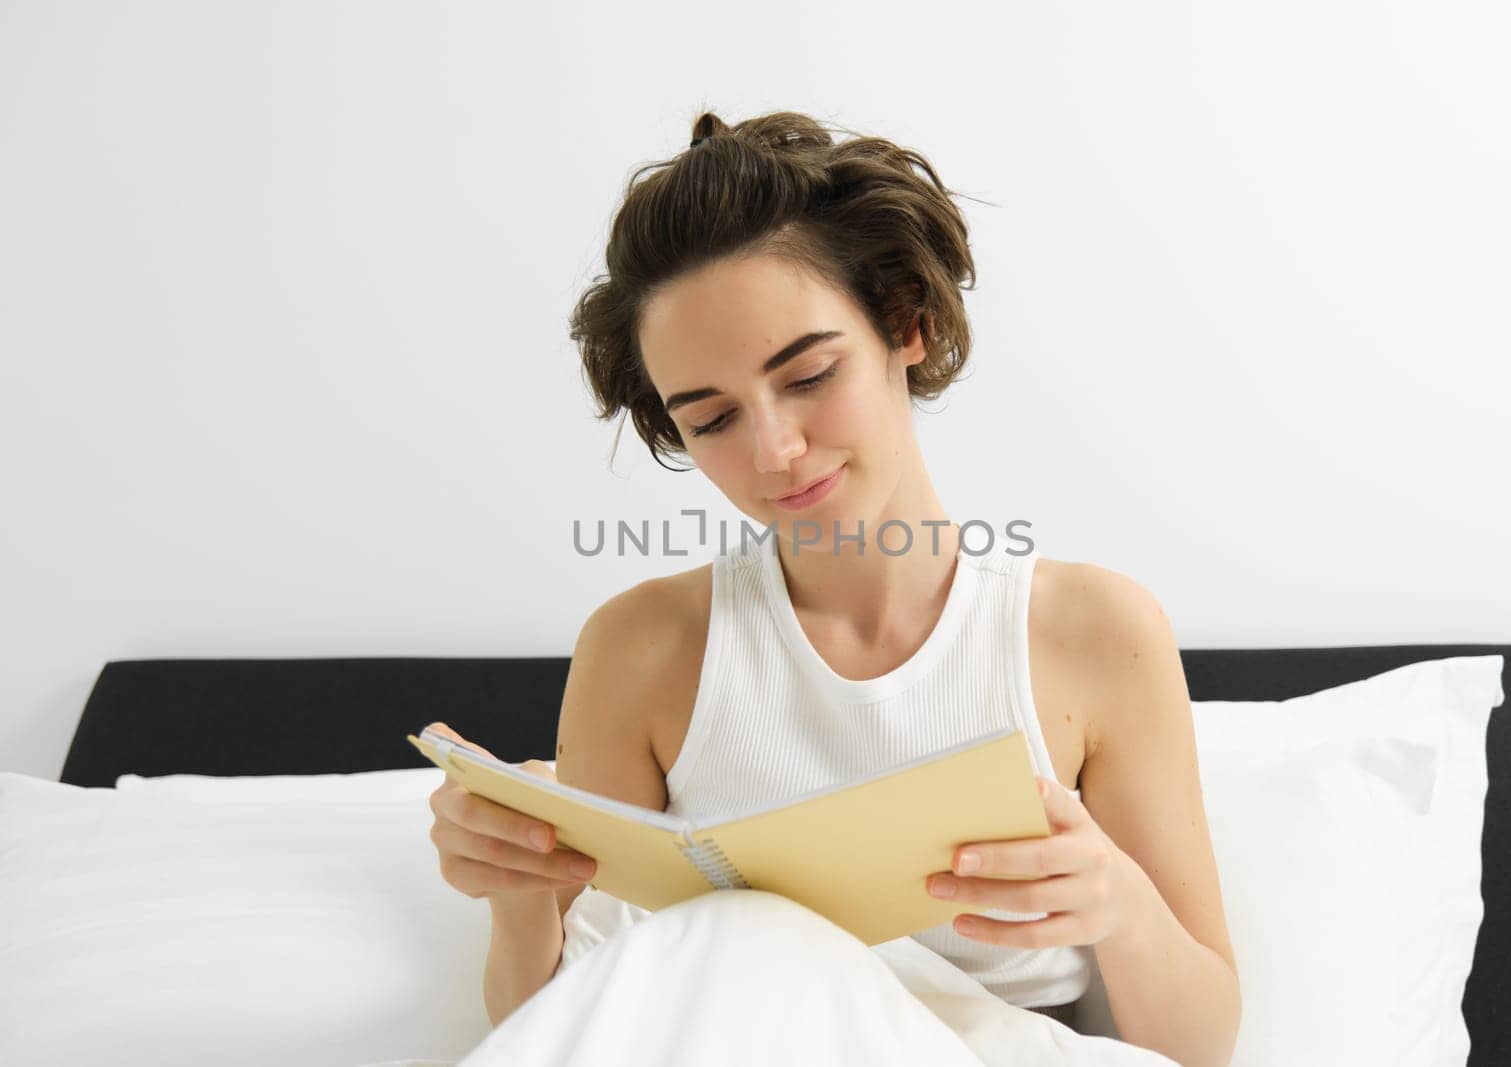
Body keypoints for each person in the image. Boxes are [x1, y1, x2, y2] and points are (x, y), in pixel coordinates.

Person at [426, 109, 1240, 1067]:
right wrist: (521, 897)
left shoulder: (1091, 635)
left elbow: (1204, 1047)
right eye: (713, 418)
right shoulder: (644, 650)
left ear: (907, 322)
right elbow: (562, 1031)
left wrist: (1118, 901)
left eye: (808, 374)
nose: (773, 451)